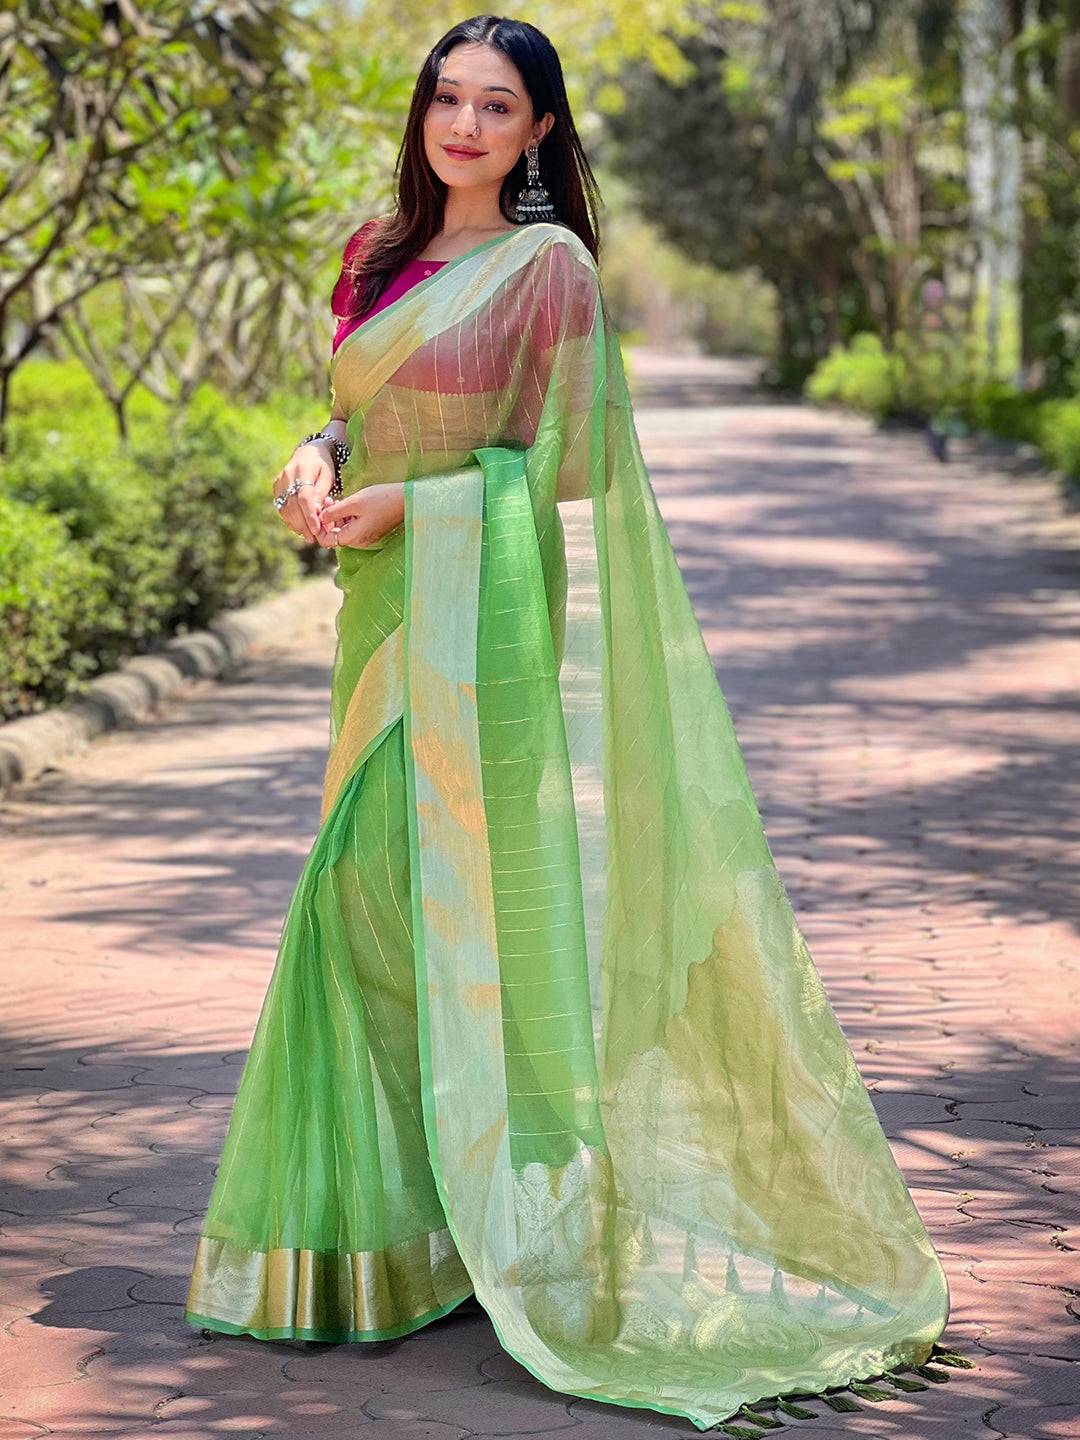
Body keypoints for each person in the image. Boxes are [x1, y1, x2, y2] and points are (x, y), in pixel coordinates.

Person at [183, 14, 964, 1432]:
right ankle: (391, 1238)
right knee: (360, 907)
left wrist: (424, 505)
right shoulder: (371, 256)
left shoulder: (550, 272)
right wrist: (320, 452)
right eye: (448, 99)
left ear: (540, 131)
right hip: (378, 622)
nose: (466, 125)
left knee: (487, 913)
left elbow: (577, 465)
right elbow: (352, 408)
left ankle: (526, 1228)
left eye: (499, 105)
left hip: (479, 628)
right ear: (422, 114)